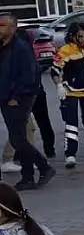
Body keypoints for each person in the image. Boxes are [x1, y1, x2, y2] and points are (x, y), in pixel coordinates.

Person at [0, 13, 54, 190]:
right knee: (20, 138)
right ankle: (28, 177)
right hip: (6, 98)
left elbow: (29, 75)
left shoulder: (20, 48)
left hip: (19, 99)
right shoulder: (3, 47)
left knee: (18, 140)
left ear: (12, 28)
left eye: (2, 26)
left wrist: (16, 97)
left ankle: (44, 167)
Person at [51, 23, 84, 169]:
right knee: (71, 123)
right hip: (70, 90)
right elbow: (54, 71)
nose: (83, 39)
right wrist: (59, 86)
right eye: (80, 36)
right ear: (73, 36)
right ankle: (70, 155)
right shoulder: (65, 51)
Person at [16, 24, 56, 158]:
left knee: (22, 124)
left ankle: (19, 152)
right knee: (42, 121)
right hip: (36, 91)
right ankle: (49, 149)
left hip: (27, 93)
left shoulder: (19, 55)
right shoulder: (29, 54)